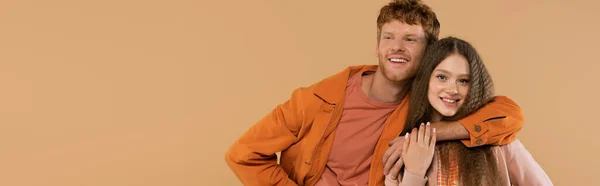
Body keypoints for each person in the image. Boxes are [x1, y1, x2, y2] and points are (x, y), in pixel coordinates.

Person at [225, 1, 525, 185]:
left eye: (411, 39)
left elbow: (509, 116)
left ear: (430, 52)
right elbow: (243, 154)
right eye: (389, 37)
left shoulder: (429, 104)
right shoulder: (317, 100)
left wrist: (435, 130)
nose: (397, 46)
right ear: (377, 46)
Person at [384, 37, 552, 186]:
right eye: (442, 77)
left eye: (463, 81)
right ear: (425, 79)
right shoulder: (403, 147)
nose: (453, 89)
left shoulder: (499, 142)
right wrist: (414, 173)